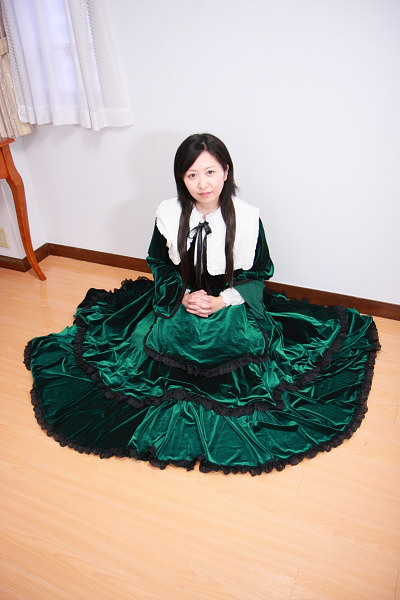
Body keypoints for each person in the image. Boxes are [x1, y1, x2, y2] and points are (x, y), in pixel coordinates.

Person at [24, 133, 380, 475]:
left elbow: (259, 272)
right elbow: (159, 262)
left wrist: (223, 301)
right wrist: (182, 295)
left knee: (233, 343)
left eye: (210, 171)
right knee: (167, 338)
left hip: (231, 297)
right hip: (182, 293)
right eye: (191, 174)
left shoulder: (247, 217)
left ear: (226, 171)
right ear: (182, 178)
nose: (202, 183)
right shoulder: (168, 213)